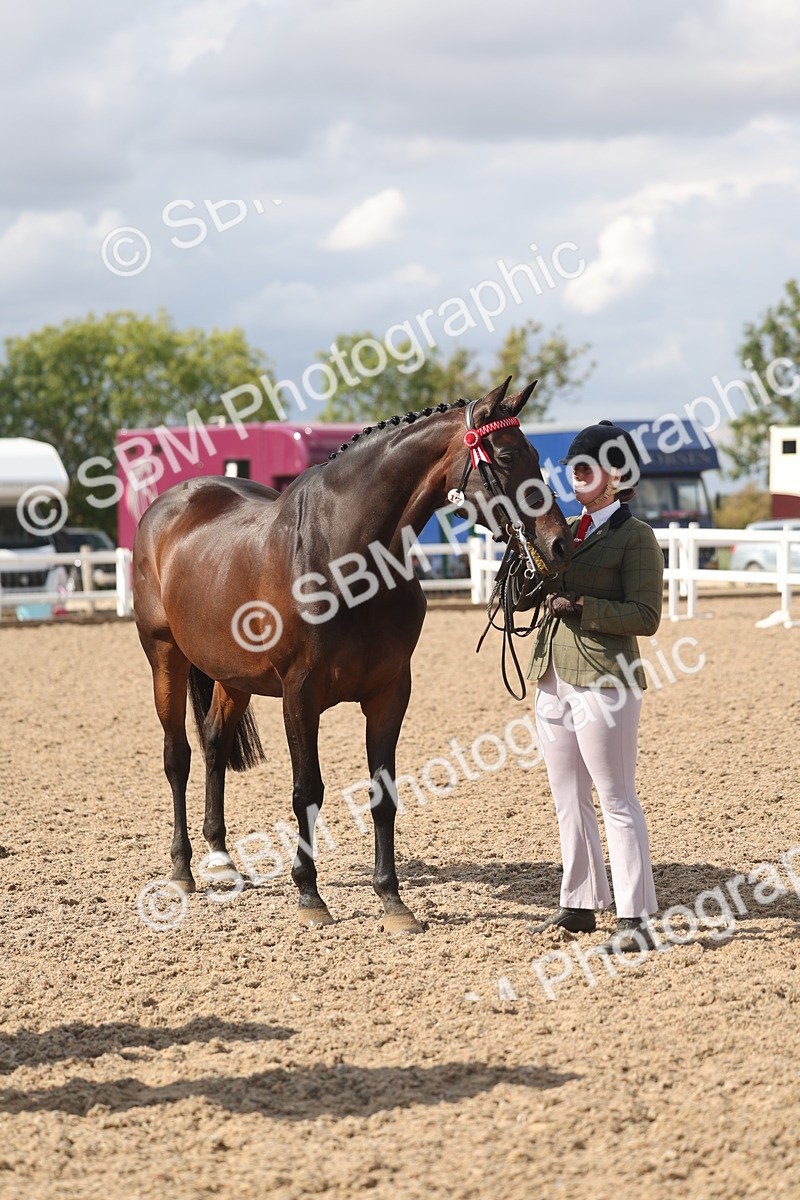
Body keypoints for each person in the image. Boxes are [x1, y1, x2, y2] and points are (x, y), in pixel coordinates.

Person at [521, 421, 664, 954]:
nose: (575, 474)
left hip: (607, 677)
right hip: (553, 676)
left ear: (617, 475)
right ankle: (579, 903)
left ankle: (636, 918)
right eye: (573, 466)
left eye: (587, 466)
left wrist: (584, 608)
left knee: (617, 797)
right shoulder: (563, 529)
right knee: (567, 796)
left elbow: (646, 615)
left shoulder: (635, 536)